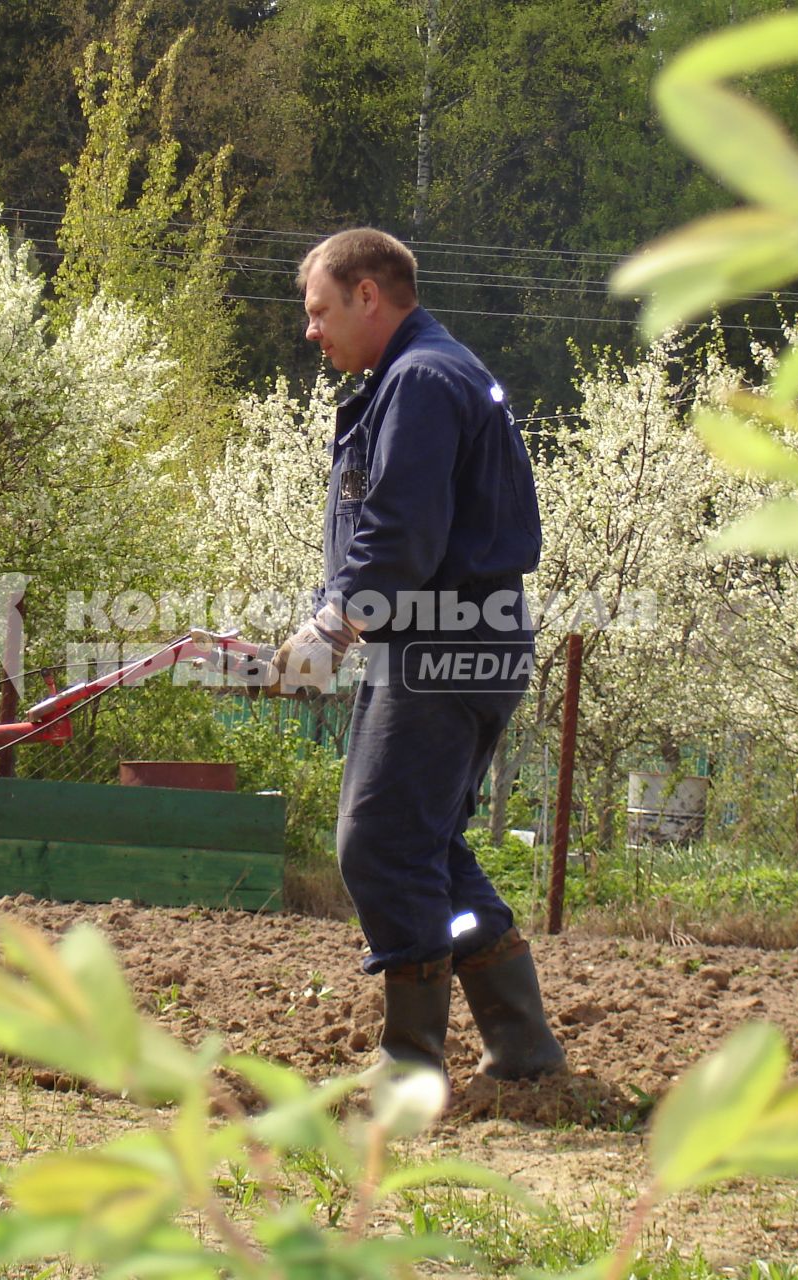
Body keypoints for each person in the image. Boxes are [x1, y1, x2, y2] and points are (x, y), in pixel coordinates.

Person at [273, 228, 566, 1083]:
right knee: (425, 844)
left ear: (371, 294)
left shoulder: (422, 381)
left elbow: (402, 533)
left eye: (320, 309)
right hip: (455, 635)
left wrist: (331, 628)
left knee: (379, 842)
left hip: (446, 641)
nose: (310, 330)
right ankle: (521, 1045)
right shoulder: (423, 375)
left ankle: (410, 1063)